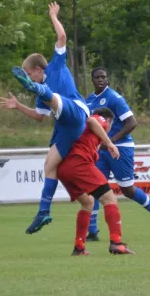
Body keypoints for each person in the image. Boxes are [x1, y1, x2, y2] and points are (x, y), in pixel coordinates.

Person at [0, 2, 89, 235]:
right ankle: (43, 212)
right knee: (49, 165)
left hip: (77, 111)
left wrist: (53, 15)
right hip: (65, 126)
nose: (29, 77)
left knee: (55, 98)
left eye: (29, 75)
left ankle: (42, 92)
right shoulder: (40, 92)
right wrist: (18, 106)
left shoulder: (56, 65)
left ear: (39, 70)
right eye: (27, 78)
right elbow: (40, 117)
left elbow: (62, 35)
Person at [85, 66, 150, 241]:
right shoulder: (90, 100)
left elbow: (132, 122)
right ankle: (92, 231)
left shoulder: (114, 98)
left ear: (108, 80)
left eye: (104, 77)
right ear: (92, 80)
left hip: (121, 148)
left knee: (127, 190)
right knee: (95, 186)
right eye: (97, 77)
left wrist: (111, 141)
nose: (101, 80)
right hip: (102, 151)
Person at [56, 107, 135, 256]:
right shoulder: (101, 119)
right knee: (110, 199)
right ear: (109, 121)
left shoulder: (88, 133)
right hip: (79, 163)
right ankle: (116, 243)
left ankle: (79, 247)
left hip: (64, 168)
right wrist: (110, 143)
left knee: (88, 202)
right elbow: (92, 120)